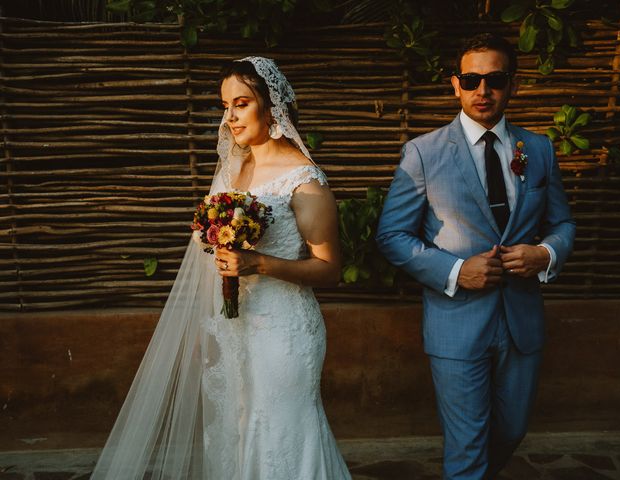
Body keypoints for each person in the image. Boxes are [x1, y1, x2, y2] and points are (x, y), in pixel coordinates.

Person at [91, 57, 351, 480]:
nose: (229, 116)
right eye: (225, 105)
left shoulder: (305, 181)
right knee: (240, 428)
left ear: (272, 107)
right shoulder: (236, 167)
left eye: (241, 104)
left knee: (281, 432)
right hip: (236, 326)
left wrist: (258, 262)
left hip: (284, 330)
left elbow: (329, 269)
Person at [376, 33, 576, 480]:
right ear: (455, 85)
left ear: (513, 85)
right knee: (467, 449)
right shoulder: (423, 153)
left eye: (495, 79)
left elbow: (563, 224)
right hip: (456, 324)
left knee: (511, 430)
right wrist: (454, 270)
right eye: (471, 79)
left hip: (522, 322)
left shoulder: (538, 149)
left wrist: (545, 253)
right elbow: (391, 234)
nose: (482, 91)